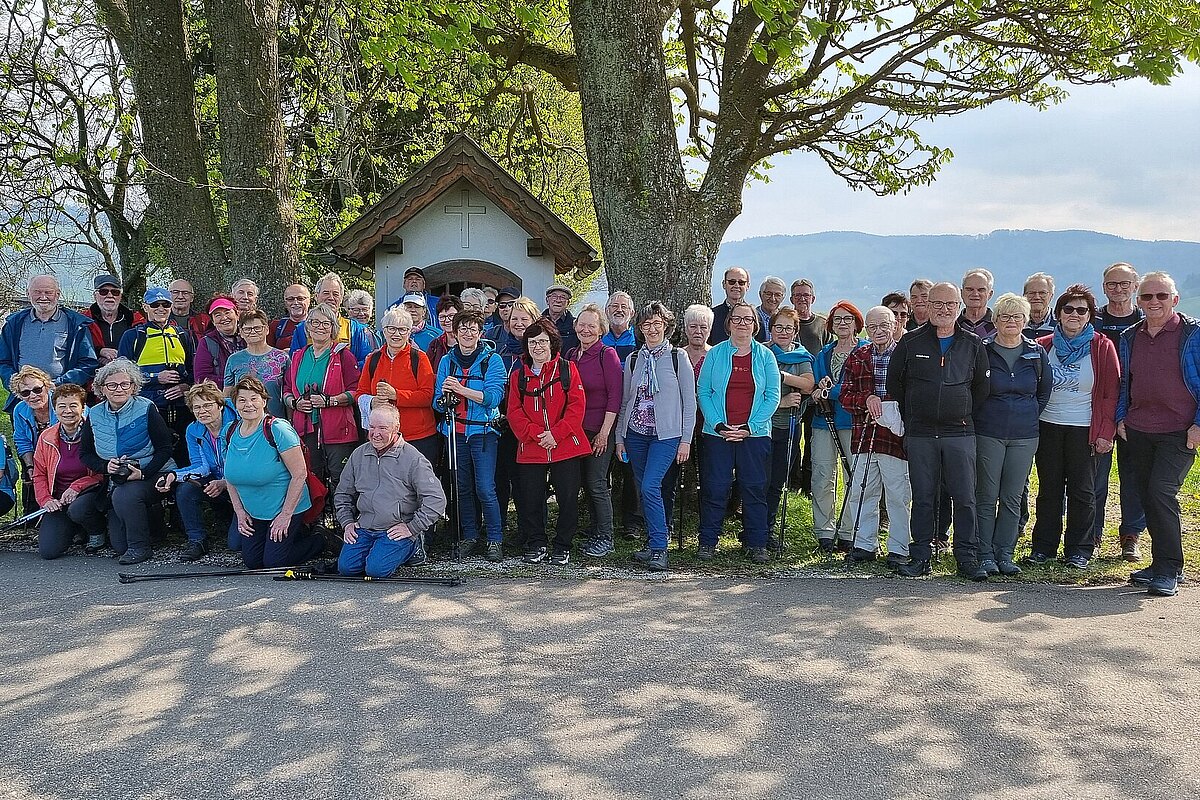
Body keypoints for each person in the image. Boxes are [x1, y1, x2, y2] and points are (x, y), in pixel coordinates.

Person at [887, 282, 991, 580]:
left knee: (965, 497)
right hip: (920, 433)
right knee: (923, 497)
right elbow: (895, 383)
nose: (944, 310)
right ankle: (920, 556)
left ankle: (966, 558)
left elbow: (981, 388)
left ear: (958, 307)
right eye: (938, 304)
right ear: (927, 306)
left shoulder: (973, 344)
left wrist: (959, 410)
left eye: (950, 304)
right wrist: (915, 412)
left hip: (959, 432)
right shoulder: (911, 342)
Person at [1116, 271, 1200, 597]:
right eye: (1147, 296)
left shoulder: (1193, 334)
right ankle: (1159, 563)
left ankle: (1169, 569)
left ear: (1174, 299)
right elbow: (1124, 382)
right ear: (1138, 301)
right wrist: (1121, 417)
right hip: (1138, 429)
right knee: (1146, 494)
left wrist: (1198, 424)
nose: (1154, 302)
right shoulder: (1130, 336)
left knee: (1161, 492)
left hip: (1179, 431)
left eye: (1161, 296)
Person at [1029, 285, 1119, 569]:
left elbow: (1111, 393)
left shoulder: (1102, 347)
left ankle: (1079, 549)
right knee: (1049, 490)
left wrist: (1106, 432)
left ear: (1090, 316)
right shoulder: (1043, 346)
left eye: (1082, 310)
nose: (1075, 314)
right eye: (1069, 309)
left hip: (1084, 428)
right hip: (1048, 426)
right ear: (1058, 313)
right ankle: (1043, 547)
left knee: (1083, 491)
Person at [696, 301, 780, 562]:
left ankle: (756, 543)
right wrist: (718, 424)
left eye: (748, 319)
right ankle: (708, 541)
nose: (742, 323)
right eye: (737, 319)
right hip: (717, 434)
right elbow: (704, 391)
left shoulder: (766, 356)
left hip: (754, 435)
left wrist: (749, 427)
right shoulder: (715, 354)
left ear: (755, 325)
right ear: (728, 323)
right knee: (715, 488)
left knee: (754, 488)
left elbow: (772, 396)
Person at [974, 294, 1052, 576]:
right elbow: (974, 390)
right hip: (988, 432)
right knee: (986, 495)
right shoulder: (982, 350)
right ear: (995, 321)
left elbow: (1043, 392)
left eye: (1017, 316)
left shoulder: (1036, 353)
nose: (1011, 321)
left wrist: (1027, 413)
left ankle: (1004, 554)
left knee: (1012, 496)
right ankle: (984, 554)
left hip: (1024, 435)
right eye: (1005, 316)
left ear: (1025, 320)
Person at [615, 303, 696, 571]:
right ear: (640, 328)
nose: (652, 329)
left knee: (651, 486)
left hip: (666, 436)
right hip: (636, 434)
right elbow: (626, 401)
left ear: (666, 327)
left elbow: (689, 402)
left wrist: (686, 440)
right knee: (646, 490)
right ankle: (652, 543)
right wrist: (619, 438)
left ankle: (660, 548)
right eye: (646, 324)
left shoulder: (678, 357)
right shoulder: (633, 359)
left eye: (657, 324)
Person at [507, 318, 590, 564]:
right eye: (533, 342)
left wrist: (556, 434)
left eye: (543, 341)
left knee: (567, 498)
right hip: (531, 447)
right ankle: (536, 543)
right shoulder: (518, 376)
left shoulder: (567, 369)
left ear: (552, 343)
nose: (538, 347)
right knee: (531, 499)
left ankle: (562, 545)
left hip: (564, 445)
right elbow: (514, 412)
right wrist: (536, 434)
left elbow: (577, 407)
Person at [80, 358, 177, 565]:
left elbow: (165, 449)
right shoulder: (94, 414)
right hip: (117, 478)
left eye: (125, 384)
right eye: (112, 385)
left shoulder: (146, 408)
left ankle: (139, 548)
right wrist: (105, 466)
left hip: (154, 471)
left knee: (126, 496)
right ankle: (151, 523)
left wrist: (143, 472)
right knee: (119, 545)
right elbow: (85, 454)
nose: (119, 389)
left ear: (133, 386)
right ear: (101, 389)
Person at [224, 376, 326, 569]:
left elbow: (299, 474)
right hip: (254, 510)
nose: (248, 405)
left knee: (274, 562)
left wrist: (285, 516)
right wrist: (239, 512)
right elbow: (229, 477)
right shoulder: (230, 431)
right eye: (242, 400)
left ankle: (319, 539)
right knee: (252, 562)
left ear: (264, 401)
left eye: (254, 399)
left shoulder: (277, 429)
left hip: (285, 507)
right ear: (235, 404)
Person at [336, 405, 447, 577]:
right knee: (346, 568)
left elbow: (437, 499)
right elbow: (342, 493)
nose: (375, 433)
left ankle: (414, 546)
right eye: (372, 427)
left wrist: (412, 528)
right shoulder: (359, 454)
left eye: (382, 428)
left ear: (396, 428)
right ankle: (376, 551)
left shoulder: (413, 459)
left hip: (395, 528)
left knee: (376, 570)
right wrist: (347, 522)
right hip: (364, 526)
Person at [839, 306, 912, 567]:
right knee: (862, 491)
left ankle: (899, 548)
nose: (878, 331)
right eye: (872, 327)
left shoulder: (906, 355)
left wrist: (889, 406)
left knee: (898, 495)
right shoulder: (858, 356)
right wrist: (866, 400)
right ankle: (864, 545)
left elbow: (915, 395)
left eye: (884, 325)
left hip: (895, 439)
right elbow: (845, 396)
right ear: (866, 330)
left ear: (895, 325)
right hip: (864, 434)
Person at [434, 309, 507, 561]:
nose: (467, 333)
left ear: (480, 332)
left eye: (472, 329)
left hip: (483, 432)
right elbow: (437, 400)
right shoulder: (447, 361)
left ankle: (495, 539)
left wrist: (461, 390)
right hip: (455, 431)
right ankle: (469, 536)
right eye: (462, 329)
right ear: (455, 333)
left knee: (485, 488)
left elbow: (494, 398)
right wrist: (444, 401)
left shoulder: (492, 360)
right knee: (462, 487)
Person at [1093, 261, 1147, 560]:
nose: (1118, 289)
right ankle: (1092, 533)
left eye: (1125, 284)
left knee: (1134, 474)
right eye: (1112, 284)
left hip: (1136, 407)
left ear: (1135, 287)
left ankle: (1131, 535)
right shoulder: (1093, 320)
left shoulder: (1144, 320)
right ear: (1104, 287)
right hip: (1099, 407)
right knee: (1094, 475)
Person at [156, 381, 239, 560]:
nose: (202, 411)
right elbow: (201, 466)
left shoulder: (238, 425)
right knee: (185, 489)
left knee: (236, 545)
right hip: (216, 481)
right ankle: (197, 540)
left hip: (241, 484)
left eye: (208, 405)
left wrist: (225, 482)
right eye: (197, 407)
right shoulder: (193, 430)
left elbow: (247, 465)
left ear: (220, 405)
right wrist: (173, 475)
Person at [283, 303, 362, 491]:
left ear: (333, 328)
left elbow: (357, 390)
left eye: (326, 323)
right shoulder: (298, 356)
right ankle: (317, 511)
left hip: (338, 429)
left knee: (340, 479)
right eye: (315, 322)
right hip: (306, 428)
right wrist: (294, 403)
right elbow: (286, 388)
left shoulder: (343, 355)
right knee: (312, 477)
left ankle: (342, 511)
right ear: (308, 327)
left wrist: (330, 401)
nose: (320, 327)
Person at [569, 303, 623, 559]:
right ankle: (594, 530)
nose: (586, 330)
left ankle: (606, 537)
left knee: (597, 482)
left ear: (601, 329)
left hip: (599, 429)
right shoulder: (571, 355)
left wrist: (604, 433)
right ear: (575, 327)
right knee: (582, 482)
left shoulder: (607, 354)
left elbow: (615, 397)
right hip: (574, 431)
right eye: (582, 325)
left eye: (591, 326)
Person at [810, 301, 865, 552]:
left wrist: (830, 391)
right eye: (837, 319)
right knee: (822, 476)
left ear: (856, 323)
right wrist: (818, 390)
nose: (842, 323)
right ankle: (824, 531)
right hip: (824, 421)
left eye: (847, 319)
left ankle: (848, 532)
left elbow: (861, 386)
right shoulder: (824, 353)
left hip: (853, 421)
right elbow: (816, 383)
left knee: (853, 476)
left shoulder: (865, 350)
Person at [118, 287, 195, 464]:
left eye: (165, 304)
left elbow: (193, 370)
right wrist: (155, 377)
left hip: (180, 406)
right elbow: (122, 374)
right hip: (148, 405)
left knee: (183, 454)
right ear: (145, 307)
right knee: (153, 453)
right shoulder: (133, 335)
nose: (161, 309)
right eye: (155, 305)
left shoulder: (182, 335)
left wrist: (185, 387)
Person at [0, 274, 98, 412]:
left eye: (48, 292)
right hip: (24, 398)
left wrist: (59, 384)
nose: (43, 297)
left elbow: (87, 363)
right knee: (24, 426)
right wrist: (17, 383)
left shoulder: (76, 325)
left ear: (57, 294)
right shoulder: (14, 324)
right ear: (28, 294)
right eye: (37, 292)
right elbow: (3, 361)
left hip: (61, 399)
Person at [356, 305, 439, 466]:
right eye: (392, 329)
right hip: (383, 438)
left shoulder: (419, 358)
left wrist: (396, 395)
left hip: (418, 437)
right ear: (384, 331)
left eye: (402, 329)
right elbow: (360, 392)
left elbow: (427, 396)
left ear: (409, 332)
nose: (396, 334)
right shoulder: (373, 359)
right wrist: (372, 402)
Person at [31, 384, 106, 559]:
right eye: (62, 406)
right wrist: (46, 500)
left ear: (83, 408)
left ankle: (97, 531)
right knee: (48, 551)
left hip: (89, 494)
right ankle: (75, 529)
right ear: (55, 409)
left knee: (78, 509)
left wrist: (77, 486)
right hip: (58, 499)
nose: (68, 411)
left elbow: (103, 472)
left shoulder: (96, 433)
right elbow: (39, 474)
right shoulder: (46, 437)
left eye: (73, 405)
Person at [765, 307, 815, 539]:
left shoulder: (801, 356)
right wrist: (782, 402)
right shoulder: (761, 352)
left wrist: (782, 376)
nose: (783, 332)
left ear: (795, 332)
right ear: (771, 329)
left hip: (790, 428)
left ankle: (768, 527)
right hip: (762, 427)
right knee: (759, 479)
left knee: (777, 480)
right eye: (779, 327)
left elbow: (808, 385)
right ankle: (754, 528)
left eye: (788, 328)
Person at [494, 296, 540, 536]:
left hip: (531, 425)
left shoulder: (539, 352)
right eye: (515, 319)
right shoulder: (499, 349)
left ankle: (530, 532)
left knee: (527, 482)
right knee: (500, 478)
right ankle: (500, 528)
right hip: (502, 423)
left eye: (524, 319)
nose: (519, 323)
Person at [290, 273, 379, 366]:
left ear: (341, 298)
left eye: (335, 294)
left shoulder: (355, 329)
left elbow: (365, 362)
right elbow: (295, 362)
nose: (331, 298)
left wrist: (341, 369)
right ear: (316, 296)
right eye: (326, 293)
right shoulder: (302, 328)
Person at [224, 310, 290, 418]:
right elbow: (227, 395)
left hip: (276, 420)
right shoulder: (233, 360)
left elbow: (289, 391)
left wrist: (290, 421)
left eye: (258, 328)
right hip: (243, 421)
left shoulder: (282, 358)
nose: (253, 332)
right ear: (241, 332)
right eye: (247, 329)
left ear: (267, 329)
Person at [10, 366, 57, 515]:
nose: (33, 396)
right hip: (37, 456)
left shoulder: (61, 403)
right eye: (25, 393)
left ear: (47, 386)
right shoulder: (19, 410)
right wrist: (30, 466)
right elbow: (22, 441)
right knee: (29, 483)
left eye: (37, 390)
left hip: (65, 455)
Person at [84, 274, 142, 366]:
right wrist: (99, 351)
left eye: (115, 292)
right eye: (103, 292)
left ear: (120, 296)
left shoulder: (136, 320)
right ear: (95, 296)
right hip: (93, 372)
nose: (110, 295)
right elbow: (77, 348)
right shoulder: (83, 321)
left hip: (128, 371)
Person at [194, 296, 243, 387]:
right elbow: (202, 378)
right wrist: (234, 383)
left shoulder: (250, 337)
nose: (224, 318)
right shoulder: (206, 343)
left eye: (227, 312)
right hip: (221, 394)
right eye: (218, 315)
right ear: (213, 321)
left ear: (237, 315)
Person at [710, 267, 766, 345]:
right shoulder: (712, 315)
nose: (736, 285)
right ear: (724, 284)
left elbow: (760, 345)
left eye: (741, 282)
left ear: (748, 286)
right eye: (732, 282)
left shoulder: (756, 316)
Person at [790, 279, 832, 356]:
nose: (802, 299)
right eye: (798, 295)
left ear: (813, 299)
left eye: (806, 295)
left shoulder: (823, 323)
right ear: (791, 299)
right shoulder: (786, 322)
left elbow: (830, 351)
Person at [269, 284, 312, 350]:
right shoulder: (276, 326)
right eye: (290, 299)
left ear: (309, 301)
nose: (295, 302)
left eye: (300, 298)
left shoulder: (317, 325)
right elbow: (267, 353)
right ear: (285, 303)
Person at [427, 296, 464, 372]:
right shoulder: (435, 345)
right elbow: (428, 371)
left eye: (451, 316)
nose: (447, 320)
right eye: (442, 317)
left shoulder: (471, 341)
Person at [959, 268, 997, 342]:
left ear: (990, 294)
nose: (975, 294)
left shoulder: (998, 326)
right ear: (961, 293)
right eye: (969, 289)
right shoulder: (951, 325)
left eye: (981, 290)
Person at [544, 284, 580, 353]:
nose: (558, 300)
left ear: (568, 303)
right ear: (547, 300)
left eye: (563, 297)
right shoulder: (537, 323)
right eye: (554, 296)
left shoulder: (575, 325)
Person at [602, 291, 637, 361]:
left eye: (624, 307)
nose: (619, 310)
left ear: (632, 313)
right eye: (615, 306)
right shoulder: (599, 336)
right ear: (606, 311)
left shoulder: (638, 338)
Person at [1022, 272, 1057, 339]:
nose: (1037, 297)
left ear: (1051, 296)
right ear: (1024, 296)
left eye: (1042, 293)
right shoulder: (1015, 322)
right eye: (1032, 293)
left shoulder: (1061, 324)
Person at [682, 304, 713, 376]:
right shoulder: (677, 355)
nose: (698, 331)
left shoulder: (715, 355)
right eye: (693, 326)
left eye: (703, 327)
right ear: (686, 329)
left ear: (709, 330)